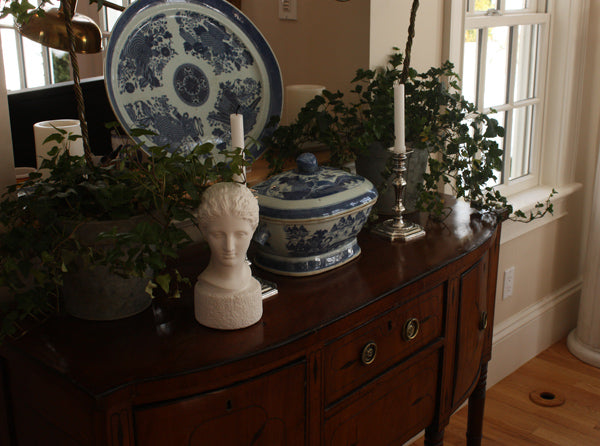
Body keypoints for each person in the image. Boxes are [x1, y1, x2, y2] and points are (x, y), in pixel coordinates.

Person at [194, 182, 262, 329]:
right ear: (204, 231)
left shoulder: (248, 281)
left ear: (253, 230)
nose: (229, 247)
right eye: (218, 235)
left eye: (240, 235)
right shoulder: (207, 285)